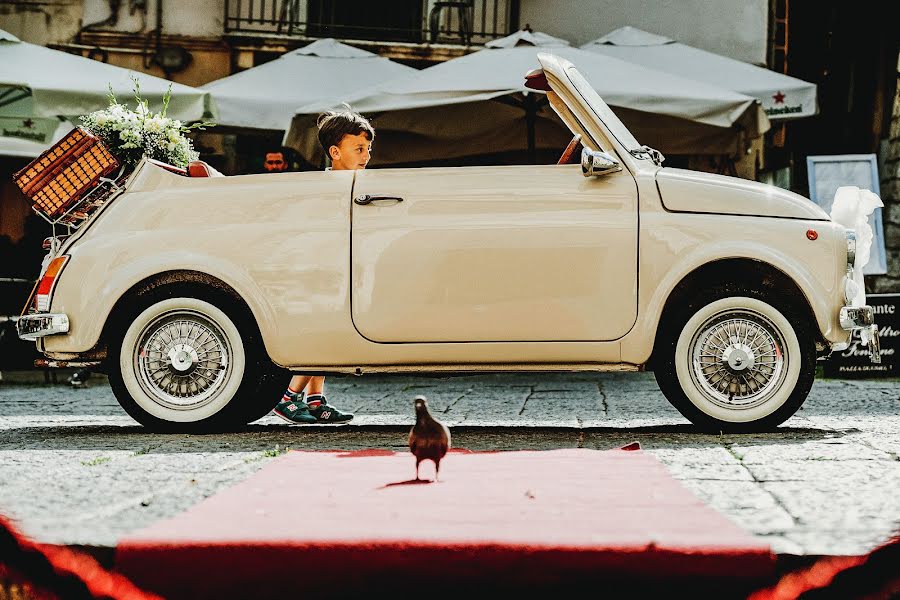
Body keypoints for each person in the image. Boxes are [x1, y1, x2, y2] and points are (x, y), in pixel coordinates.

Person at [272, 109, 373, 425]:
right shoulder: (330, 185)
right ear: (335, 152)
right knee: (323, 338)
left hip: (336, 268)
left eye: (368, 149)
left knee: (325, 333)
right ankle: (289, 398)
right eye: (359, 149)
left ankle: (315, 401)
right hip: (321, 269)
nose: (367, 155)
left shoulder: (352, 181)